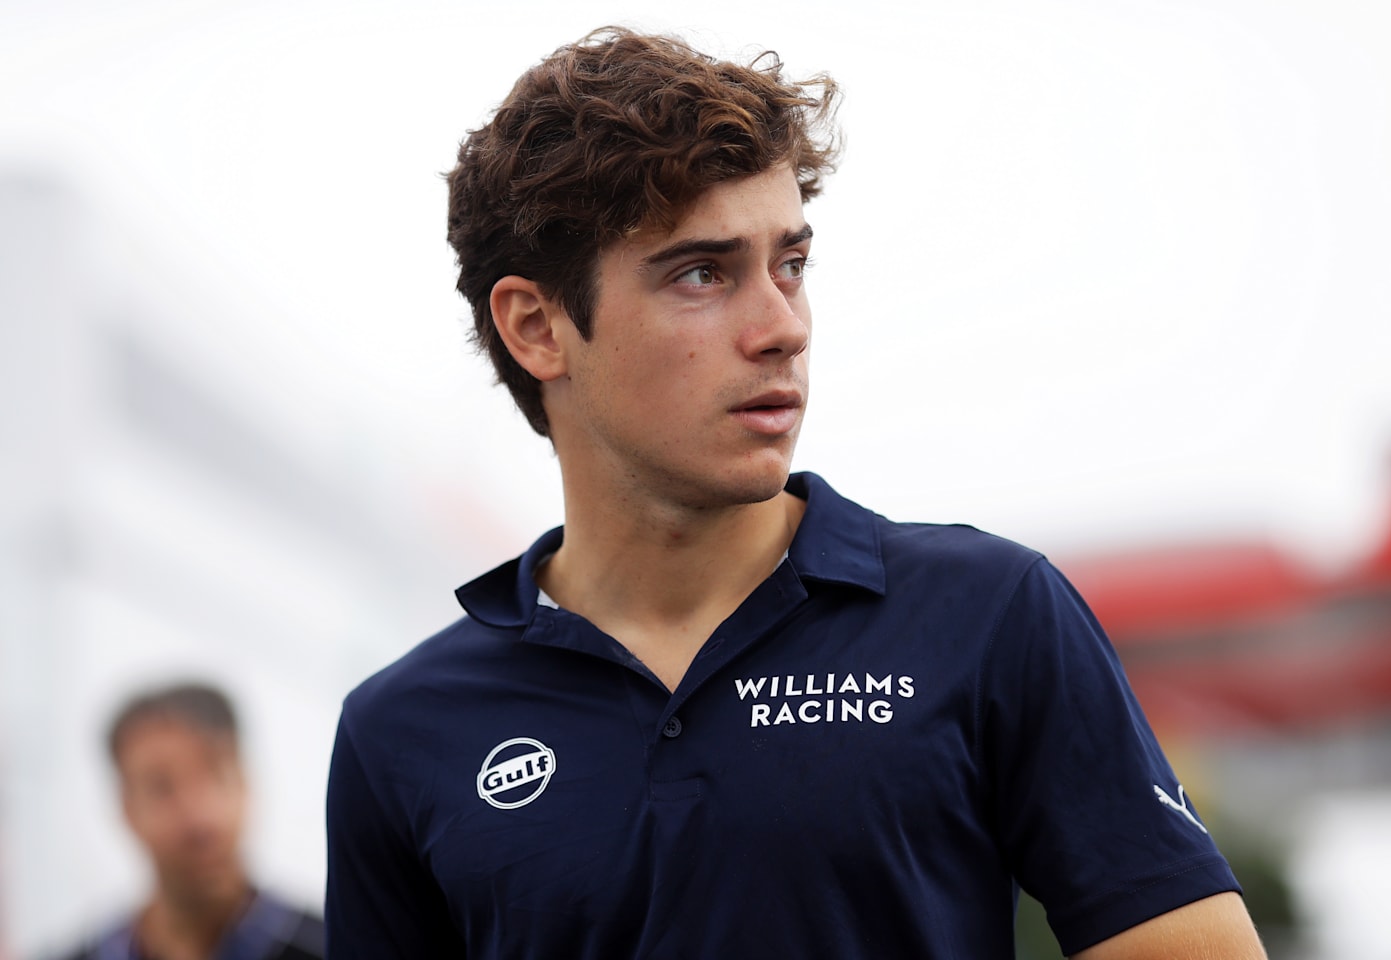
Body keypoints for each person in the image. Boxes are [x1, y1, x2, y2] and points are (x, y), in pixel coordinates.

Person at [325, 27, 1268, 959]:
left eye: (791, 265)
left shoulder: (990, 615)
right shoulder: (399, 730)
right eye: (702, 274)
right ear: (537, 327)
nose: (782, 327)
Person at [58, 683, 322, 960]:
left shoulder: (335, 947)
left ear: (245, 783)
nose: (199, 819)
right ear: (127, 809)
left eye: (217, 774)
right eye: (161, 787)